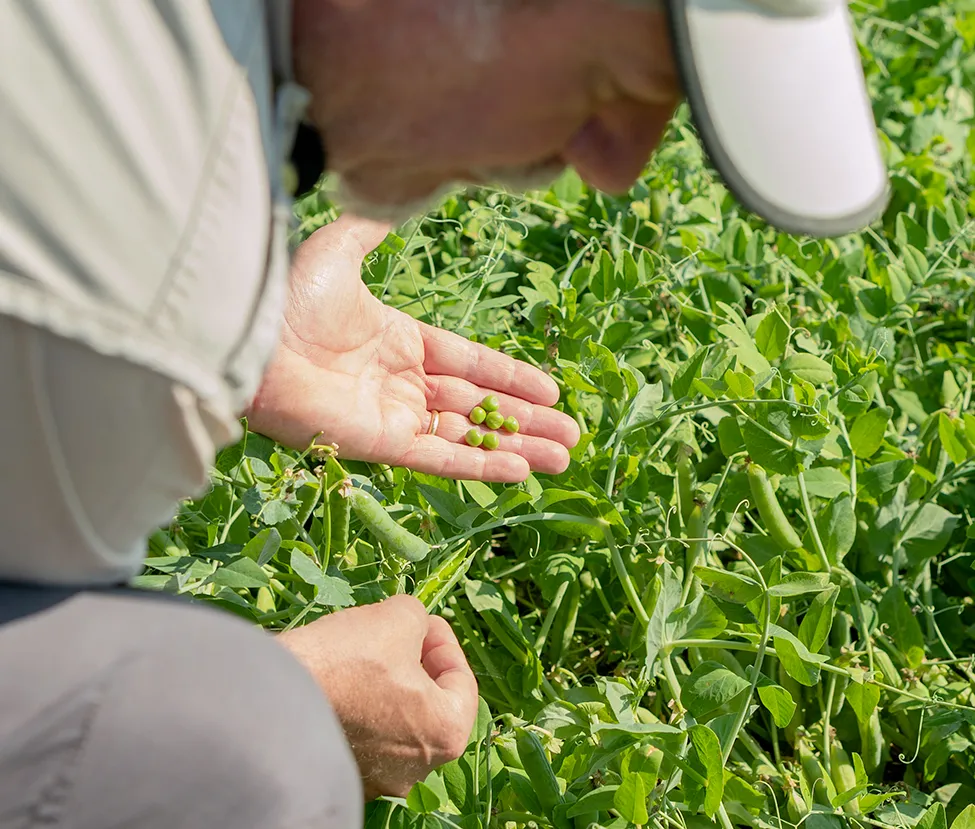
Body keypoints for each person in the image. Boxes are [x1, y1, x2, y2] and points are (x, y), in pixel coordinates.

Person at [0, 0, 889, 826]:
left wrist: (243, 346)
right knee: (250, 749)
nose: (614, 168)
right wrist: (299, 691)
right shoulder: (146, 263)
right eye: (612, 85)